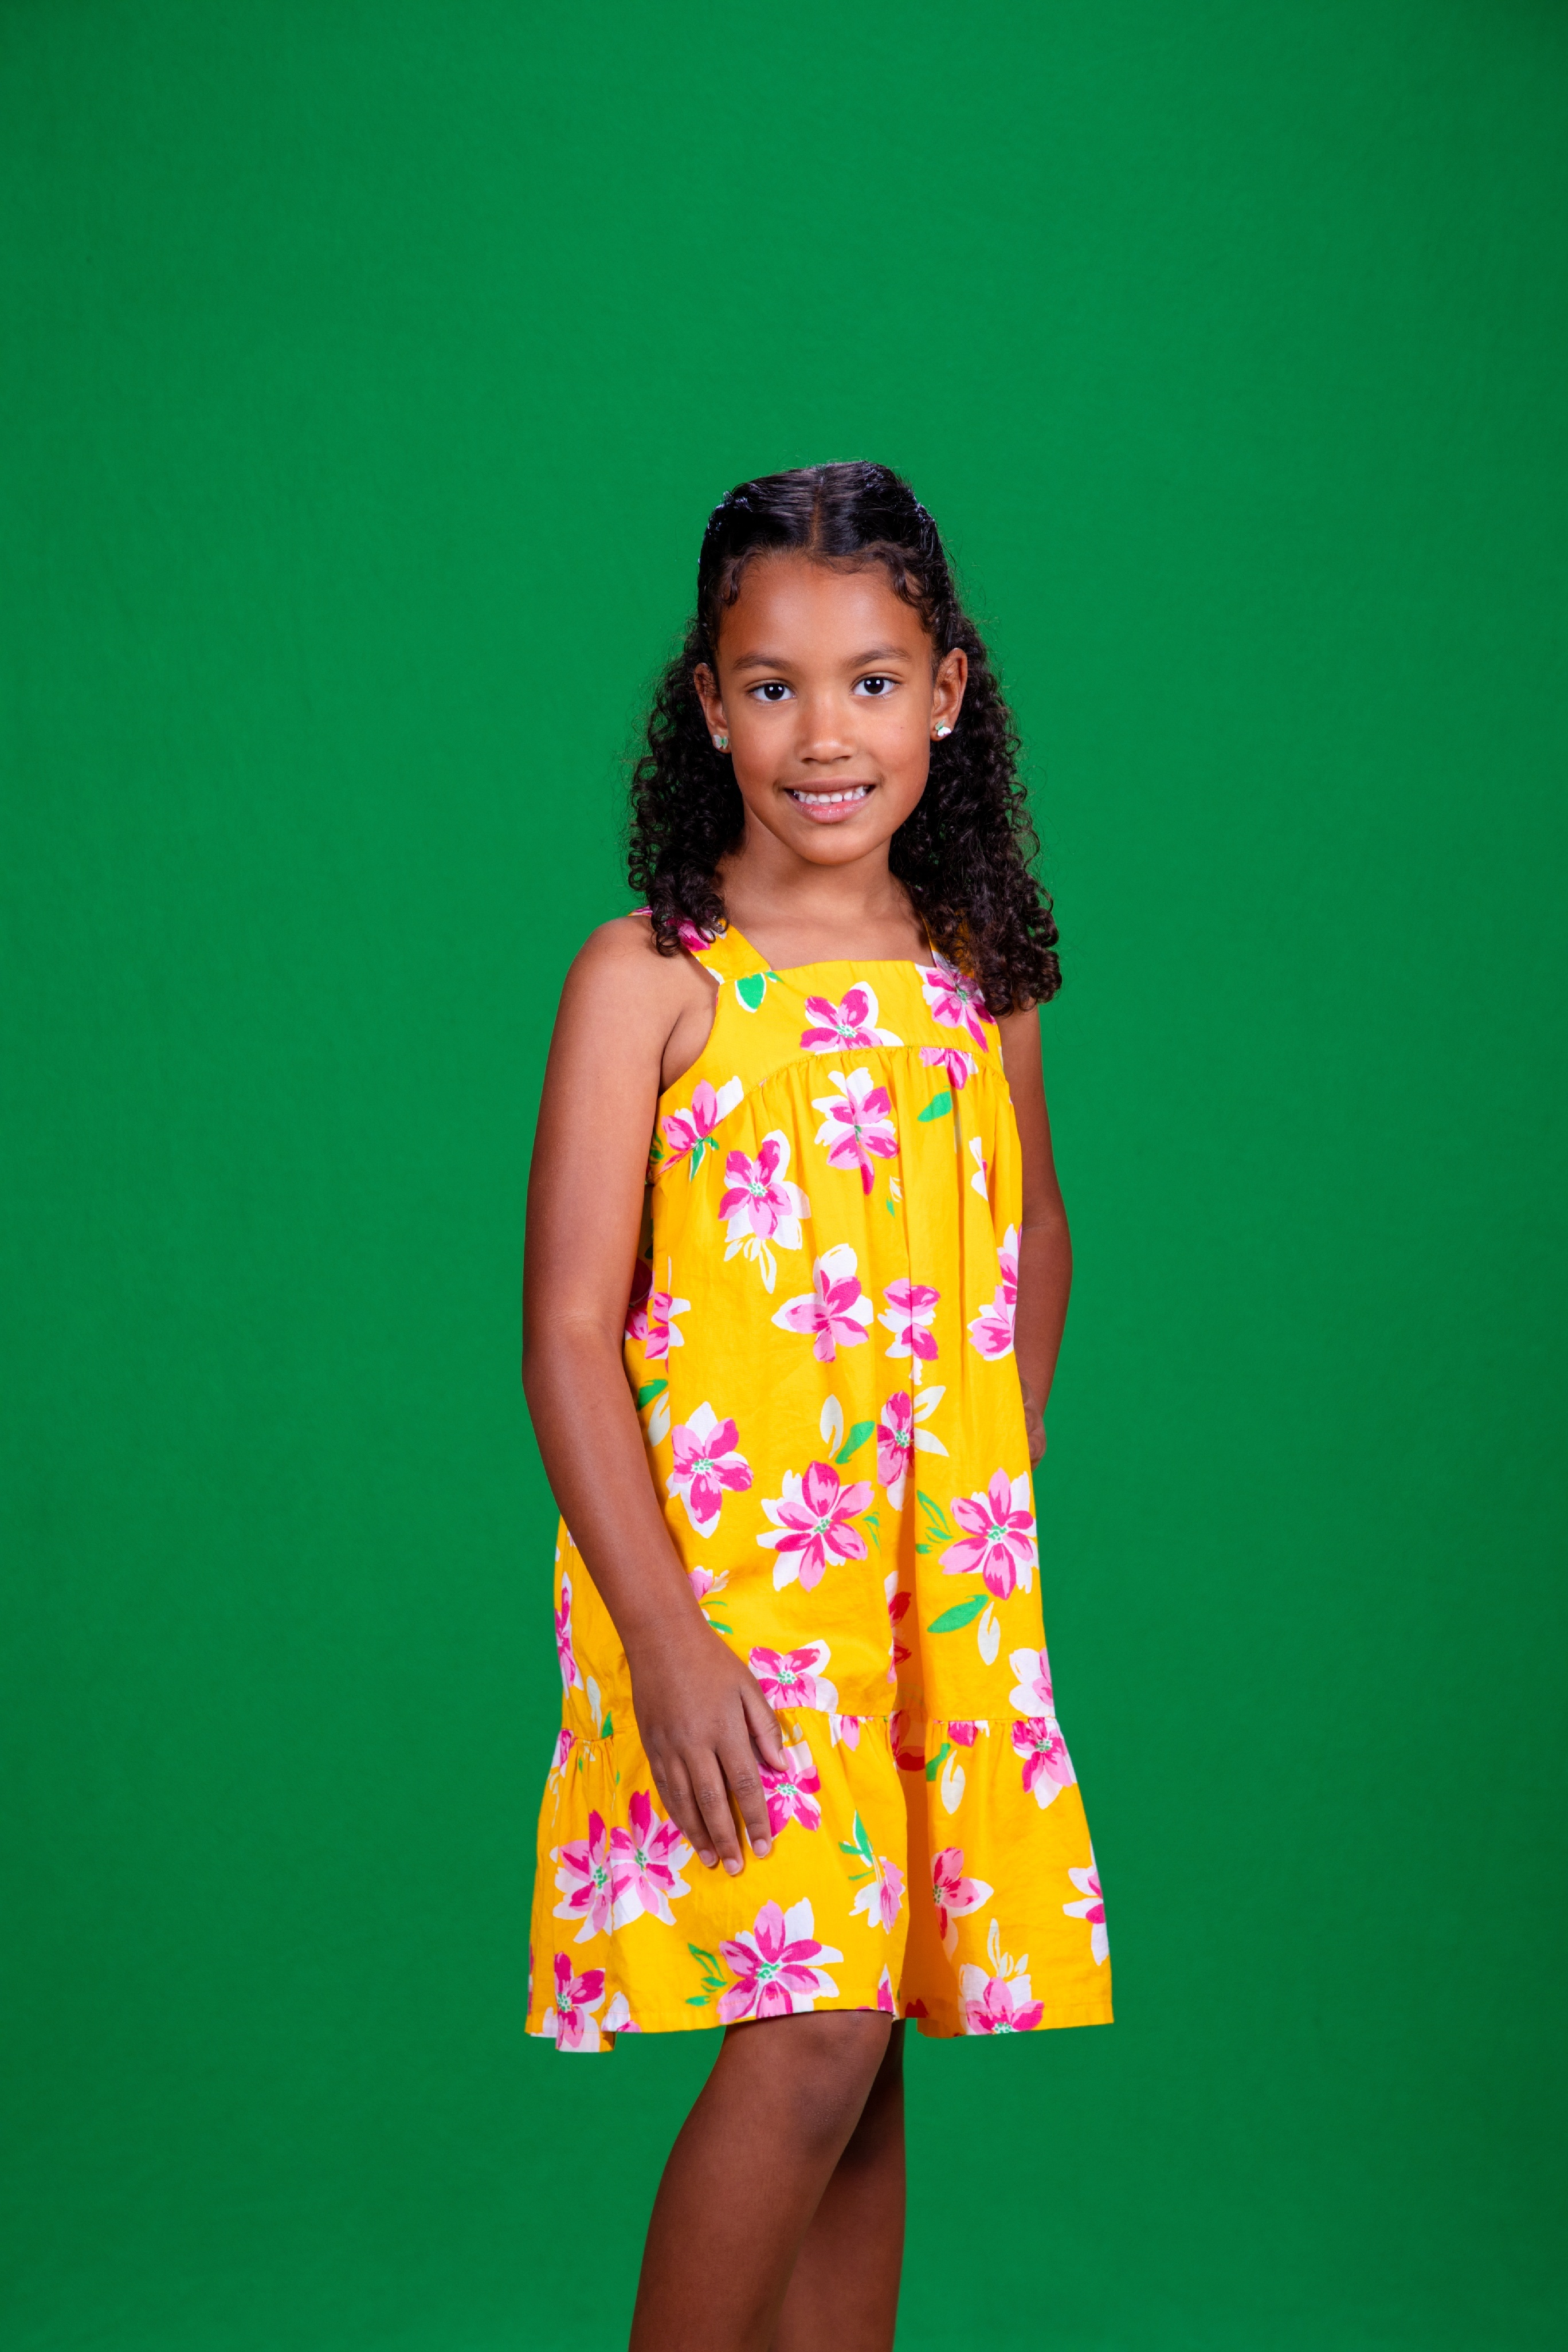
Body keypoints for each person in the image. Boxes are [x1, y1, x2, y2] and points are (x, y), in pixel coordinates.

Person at [522, 462, 1111, 2351]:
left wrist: (994, 1467)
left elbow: (1035, 1225)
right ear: (709, 705)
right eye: (773, 687)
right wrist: (663, 1635)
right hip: (723, 1582)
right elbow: (565, 1329)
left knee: (863, 2050)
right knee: (814, 2027)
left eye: (872, 681)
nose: (826, 734)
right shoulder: (649, 979)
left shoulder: (977, 971)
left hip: (927, 1582)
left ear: (950, 691)